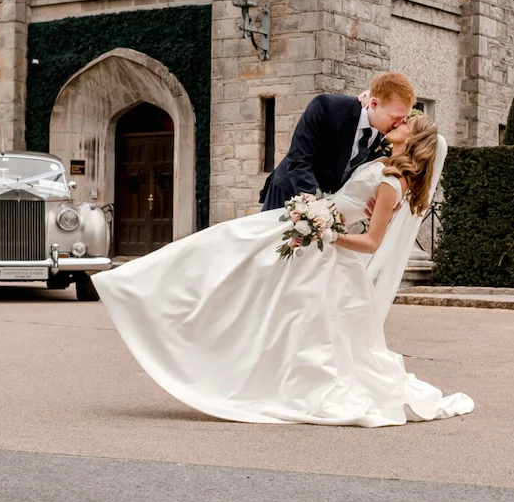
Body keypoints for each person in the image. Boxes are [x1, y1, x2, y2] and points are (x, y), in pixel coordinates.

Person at [97, 113, 472, 427]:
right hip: (313, 228)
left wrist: (326, 233)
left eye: (405, 123)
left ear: (414, 139)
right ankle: (140, 289)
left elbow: (372, 242)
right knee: (229, 249)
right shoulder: (384, 166)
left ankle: (156, 303)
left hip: (323, 244)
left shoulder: (391, 182)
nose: (397, 122)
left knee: (277, 305)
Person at [259, 71, 416, 212]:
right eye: (395, 118)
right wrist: (318, 208)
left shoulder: (387, 137)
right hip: (288, 193)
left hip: (330, 209)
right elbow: (299, 159)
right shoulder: (327, 108)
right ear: (373, 104)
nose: (399, 124)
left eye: (403, 119)